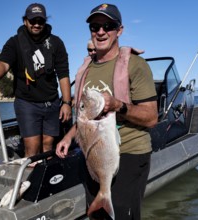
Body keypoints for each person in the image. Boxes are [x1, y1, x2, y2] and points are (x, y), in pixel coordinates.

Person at [56, 3, 158, 220]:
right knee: (97, 216)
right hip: (93, 156)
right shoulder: (85, 70)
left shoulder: (136, 65)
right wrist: (67, 138)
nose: (100, 31)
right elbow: (84, 117)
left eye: (108, 26)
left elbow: (151, 118)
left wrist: (118, 105)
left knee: (122, 215)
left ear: (119, 30)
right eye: (95, 26)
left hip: (130, 150)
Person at [0, 3, 72, 158]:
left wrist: (67, 103)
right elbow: (4, 64)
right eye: (32, 20)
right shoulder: (14, 42)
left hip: (51, 102)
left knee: (48, 144)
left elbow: (63, 74)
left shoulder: (56, 43)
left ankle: (46, 179)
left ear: (45, 22)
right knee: (32, 148)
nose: (36, 24)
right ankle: (29, 180)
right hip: (27, 103)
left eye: (40, 21)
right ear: (25, 21)